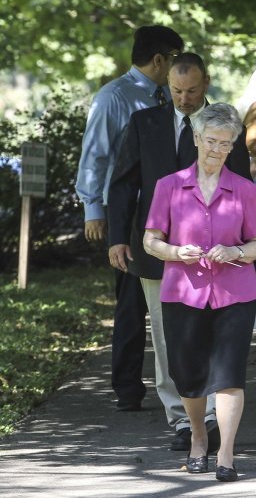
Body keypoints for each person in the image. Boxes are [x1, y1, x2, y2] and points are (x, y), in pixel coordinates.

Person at [109, 52, 253, 451]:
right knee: (168, 337)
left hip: (220, 253)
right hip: (157, 248)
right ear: (166, 87)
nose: (184, 99)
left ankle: (210, 417)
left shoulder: (225, 125)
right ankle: (181, 420)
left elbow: (242, 183)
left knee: (211, 338)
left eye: (191, 91)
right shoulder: (145, 123)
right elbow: (124, 183)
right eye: (176, 91)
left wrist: (243, 246)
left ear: (205, 83)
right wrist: (118, 237)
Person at [143, 103, 256, 482]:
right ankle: (199, 436)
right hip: (183, 291)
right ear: (196, 139)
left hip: (236, 294)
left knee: (229, 375)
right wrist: (174, 252)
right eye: (210, 141)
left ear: (233, 146)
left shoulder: (245, 189)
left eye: (225, 143)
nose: (216, 149)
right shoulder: (169, 186)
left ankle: (226, 455)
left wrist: (236, 251)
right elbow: (150, 241)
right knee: (188, 375)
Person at [75, 25, 183, 413]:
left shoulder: (172, 97)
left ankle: (177, 380)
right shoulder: (114, 97)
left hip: (169, 214)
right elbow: (95, 154)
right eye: (174, 59)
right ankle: (127, 386)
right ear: (160, 60)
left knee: (166, 298)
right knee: (130, 302)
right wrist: (94, 210)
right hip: (129, 213)